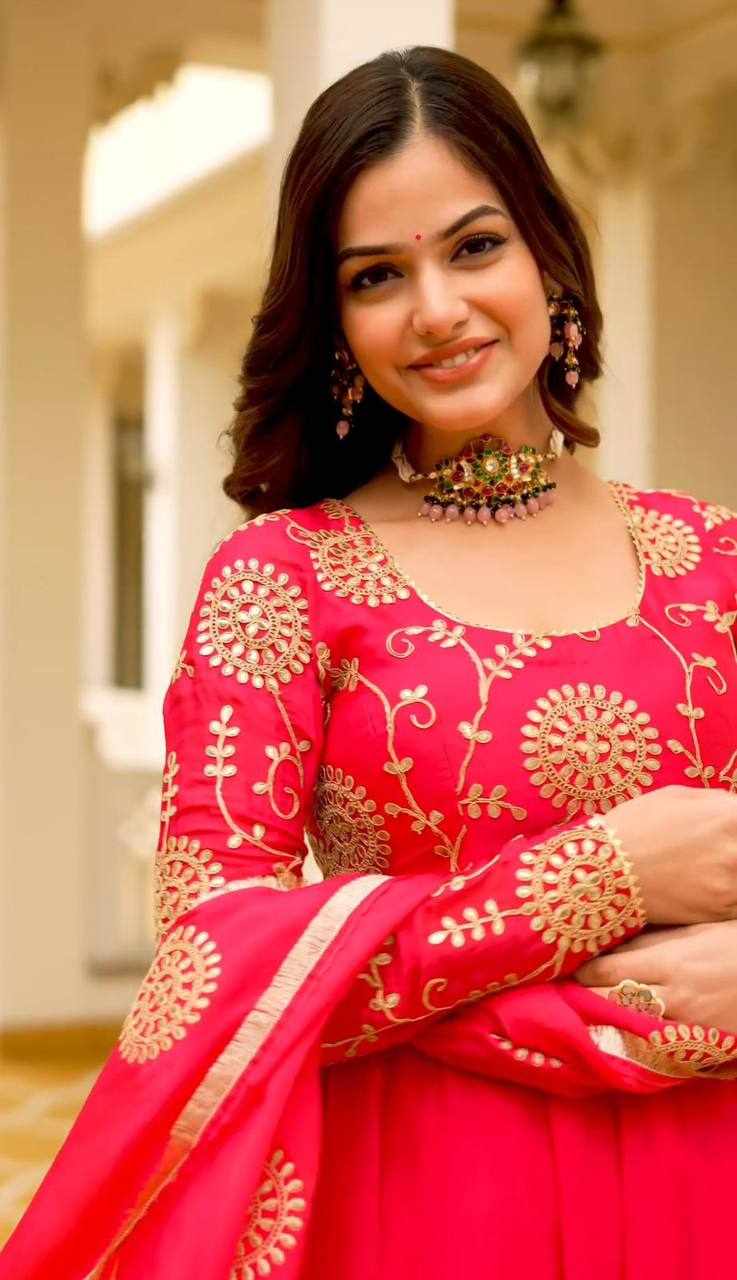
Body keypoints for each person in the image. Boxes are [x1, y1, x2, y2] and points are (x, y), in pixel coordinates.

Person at [2, 43, 737, 1280]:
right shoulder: (282, 580)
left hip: (702, 1175)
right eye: (376, 275)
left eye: (473, 246)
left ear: (548, 255)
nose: (435, 309)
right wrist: (601, 875)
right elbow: (211, 969)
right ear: (335, 320)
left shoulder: (715, 560)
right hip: (424, 1197)